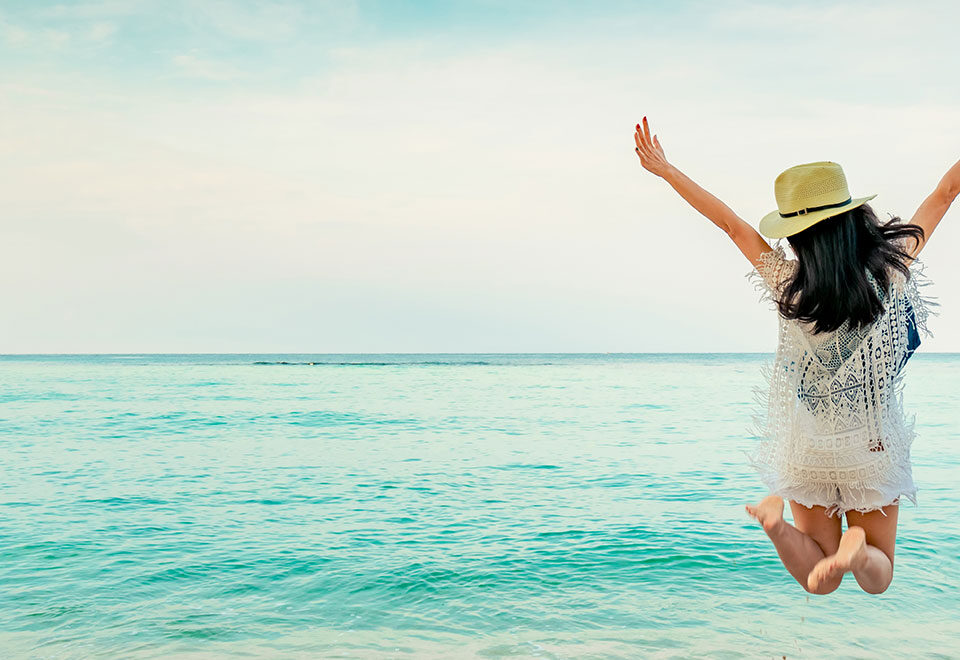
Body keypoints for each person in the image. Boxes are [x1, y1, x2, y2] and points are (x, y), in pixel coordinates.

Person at [632, 116, 959, 594]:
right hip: (870, 447)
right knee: (877, 574)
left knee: (816, 581)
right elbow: (947, 191)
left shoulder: (787, 284)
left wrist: (667, 170)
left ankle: (776, 525)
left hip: (807, 447)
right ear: (853, 217)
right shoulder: (892, 266)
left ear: (797, 233)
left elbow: (730, 225)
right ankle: (858, 549)